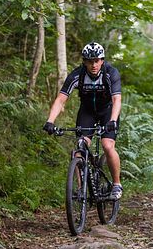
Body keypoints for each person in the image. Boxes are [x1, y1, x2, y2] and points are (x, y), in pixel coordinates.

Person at [43, 42, 124, 200]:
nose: (93, 65)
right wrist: (50, 121)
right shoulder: (77, 75)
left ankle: (116, 184)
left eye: (96, 61)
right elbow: (61, 100)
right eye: (89, 61)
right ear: (84, 62)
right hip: (87, 112)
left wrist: (113, 120)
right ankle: (81, 189)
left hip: (107, 112)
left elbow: (116, 99)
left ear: (102, 60)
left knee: (107, 145)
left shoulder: (110, 73)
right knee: (80, 148)